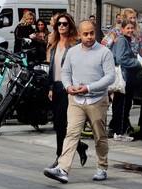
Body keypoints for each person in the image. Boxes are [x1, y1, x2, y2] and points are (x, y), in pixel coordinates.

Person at [43, 20, 115, 183]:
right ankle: (62, 168)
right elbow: (66, 72)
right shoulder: (73, 52)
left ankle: (102, 167)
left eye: (92, 33)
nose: (89, 37)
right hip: (75, 99)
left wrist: (89, 88)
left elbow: (110, 77)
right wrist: (68, 87)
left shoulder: (104, 52)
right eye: (86, 34)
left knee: (100, 135)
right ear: (80, 34)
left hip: (97, 99)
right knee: (71, 133)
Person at [47, 13, 88, 169]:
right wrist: (50, 87)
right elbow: (52, 67)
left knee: (61, 124)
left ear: (70, 26)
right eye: (59, 24)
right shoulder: (54, 43)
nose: (62, 26)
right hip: (56, 87)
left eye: (65, 24)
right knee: (59, 124)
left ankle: (60, 158)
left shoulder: (75, 45)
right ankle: (80, 146)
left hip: (68, 88)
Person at [109, 19, 142, 136]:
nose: (130, 30)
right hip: (123, 79)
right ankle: (119, 131)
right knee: (122, 105)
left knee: (121, 104)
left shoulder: (125, 40)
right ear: (122, 29)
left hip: (125, 78)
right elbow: (121, 59)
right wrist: (137, 64)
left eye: (132, 28)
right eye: (128, 28)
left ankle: (116, 128)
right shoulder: (122, 41)